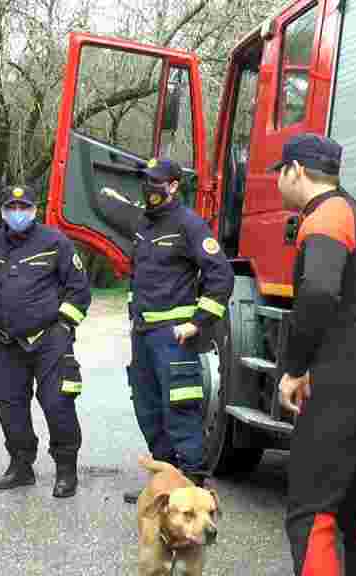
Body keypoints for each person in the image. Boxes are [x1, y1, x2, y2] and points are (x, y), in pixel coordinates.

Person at [270, 133, 356, 576]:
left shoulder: (326, 215)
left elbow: (319, 292)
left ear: (296, 170)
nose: (278, 183)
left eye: (279, 174)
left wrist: (295, 369)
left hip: (336, 387)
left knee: (310, 513)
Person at [122, 158, 233, 504]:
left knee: (180, 409)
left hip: (173, 338)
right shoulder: (143, 226)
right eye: (145, 181)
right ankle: (165, 481)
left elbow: (221, 278)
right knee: (148, 407)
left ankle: (194, 485)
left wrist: (196, 323)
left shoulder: (190, 225)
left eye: (155, 182)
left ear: (173, 186)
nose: (148, 188)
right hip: (143, 335)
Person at [0, 184, 90, 498]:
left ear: (34, 210)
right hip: (4, 344)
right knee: (9, 406)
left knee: (57, 404)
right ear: (2, 212)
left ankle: (66, 470)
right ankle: (21, 466)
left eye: (23, 207)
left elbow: (78, 289)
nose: (17, 213)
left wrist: (65, 326)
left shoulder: (55, 241)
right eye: (11, 208)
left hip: (49, 341)